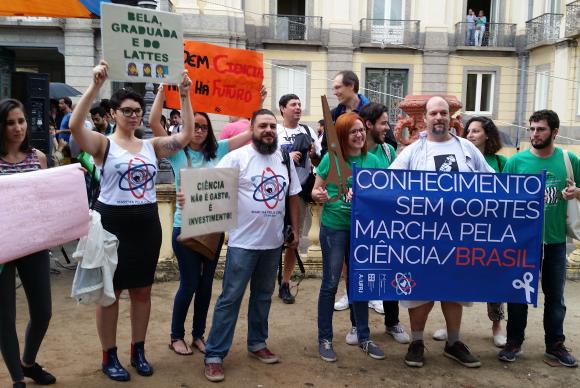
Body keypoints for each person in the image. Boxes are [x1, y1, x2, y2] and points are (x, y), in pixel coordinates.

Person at [69, 61, 194, 382]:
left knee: (142, 291)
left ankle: (137, 349)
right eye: (127, 110)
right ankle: (108, 354)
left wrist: (184, 96)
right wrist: (95, 86)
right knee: (110, 293)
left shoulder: (152, 146)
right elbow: (74, 126)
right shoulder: (104, 145)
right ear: (115, 114)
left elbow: (187, 135)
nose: (134, 115)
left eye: (137, 110)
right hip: (113, 226)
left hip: (146, 227)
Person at [389, 96, 493, 368]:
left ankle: (454, 342)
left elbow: (493, 182)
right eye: (434, 113)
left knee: (455, 289)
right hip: (420, 236)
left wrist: (526, 197)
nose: (439, 118)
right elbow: (387, 184)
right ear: (425, 117)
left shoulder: (468, 148)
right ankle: (416, 342)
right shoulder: (411, 151)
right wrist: (360, 191)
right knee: (419, 290)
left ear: (451, 117)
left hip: (459, 236)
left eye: (443, 113)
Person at [149, 84, 252, 357]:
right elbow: (152, 122)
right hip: (185, 228)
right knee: (190, 283)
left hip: (213, 228)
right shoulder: (176, 152)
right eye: (194, 125)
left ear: (209, 131)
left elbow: (252, 133)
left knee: (206, 285)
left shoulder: (219, 152)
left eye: (204, 127)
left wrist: (255, 100)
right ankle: (175, 336)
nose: (198, 131)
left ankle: (198, 335)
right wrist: (162, 91)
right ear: (186, 126)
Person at [202, 109, 301, 382]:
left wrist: (295, 230)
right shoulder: (237, 157)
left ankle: (257, 343)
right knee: (230, 298)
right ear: (253, 130)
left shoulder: (283, 158)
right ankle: (214, 354)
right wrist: (190, 199)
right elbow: (209, 188)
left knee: (262, 296)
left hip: (273, 244)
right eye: (262, 126)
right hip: (243, 244)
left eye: (272, 126)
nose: (268, 130)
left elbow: (293, 196)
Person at [499, 110, 580, 367]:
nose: (535, 134)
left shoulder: (569, 160)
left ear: (554, 132)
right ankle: (514, 342)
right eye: (531, 129)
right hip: (523, 242)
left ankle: (555, 345)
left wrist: (577, 192)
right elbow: (501, 200)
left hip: (555, 241)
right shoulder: (517, 162)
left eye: (541, 129)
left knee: (555, 297)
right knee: (518, 296)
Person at [312, 112, 385, 362]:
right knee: (330, 284)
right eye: (353, 131)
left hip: (364, 231)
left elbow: (385, 193)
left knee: (360, 283)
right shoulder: (330, 159)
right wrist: (318, 196)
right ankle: (325, 339)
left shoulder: (374, 161)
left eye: (361, 130)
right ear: (342, 135)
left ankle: (364, 337)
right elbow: (316, 190)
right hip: (334, 228)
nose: (359, 135)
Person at [0, 98, 55, 388]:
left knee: (43, 311)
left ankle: (28, 362)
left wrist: (70, 181)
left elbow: (48, 198)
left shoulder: (39, 158)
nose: (18, 127)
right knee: (5, 316)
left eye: (21, 121)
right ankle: (17, 378)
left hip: (34, 244)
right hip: (1, 249)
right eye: (10, 122)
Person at [359, 102, 410, 345]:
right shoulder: (353, 152)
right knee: (362, 276)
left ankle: (393, 322)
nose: (387, 128)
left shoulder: (389, 151)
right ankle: (358, 327)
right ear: (368, 125)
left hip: (387, 225)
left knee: (391, 273)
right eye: (383, 123)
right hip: (360, 226)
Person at [277, 93, 321, 304]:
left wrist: (312, 154)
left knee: (294, 238)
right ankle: (267, 280)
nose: (298, 107)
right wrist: (287, 156)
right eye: (293, 104)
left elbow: (318, 159)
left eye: (299, 103)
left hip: (300, 191)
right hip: (275, 192)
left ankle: (285, 282)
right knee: (272, 239)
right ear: (282, 109)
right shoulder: (274, 131)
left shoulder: (308, 131)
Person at [321, 71, 370, 157]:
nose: (334, 93)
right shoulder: (333, 115)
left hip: (367, 167)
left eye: (338, 87)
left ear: (351, 85)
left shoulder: (372, 111)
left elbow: (388, 142)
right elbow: (326, 146)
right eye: (334, 89)